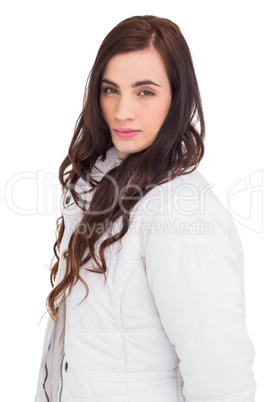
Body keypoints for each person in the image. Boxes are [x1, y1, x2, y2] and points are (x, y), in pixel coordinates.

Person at [34, 15, 256, 402]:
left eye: (145, 92)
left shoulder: (181, 212)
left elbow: (220, 378)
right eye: (110, 89)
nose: (122, 111)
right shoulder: (102, 186)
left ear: (177, 98)